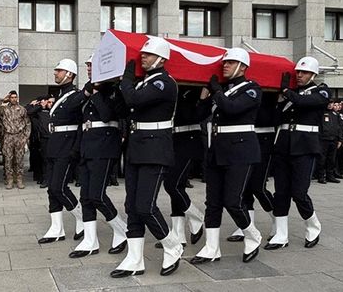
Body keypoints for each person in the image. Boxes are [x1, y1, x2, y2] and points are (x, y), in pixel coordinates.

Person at [112, 37, 182, 278]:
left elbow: (134, 100)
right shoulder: (143, 83)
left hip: (155, 148)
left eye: (148, 55)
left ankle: (173, 245)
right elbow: (125, 108)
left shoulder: (164, 82)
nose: (143, 57)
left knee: (145, 206)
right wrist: (116, 87)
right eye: (142, 53)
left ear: (162, 59)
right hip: (137, 147)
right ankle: (134, 259)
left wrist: (126, 81)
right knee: (132, 206)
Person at [190, 48, 263, 265]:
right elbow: (199, 115)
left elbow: (232, 108)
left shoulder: (252, 89)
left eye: (231, 63)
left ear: (243, 67)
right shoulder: (221, 90)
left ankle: (252, 235)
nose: (225, 65)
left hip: (241, 151)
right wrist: (205, 97)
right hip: (217, 150)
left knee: (233, 201)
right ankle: (211, 247)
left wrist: (216, 91)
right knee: (212, 203)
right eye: (225, 62)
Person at [265, 56, 329, 250]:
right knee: (281, 192)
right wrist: (279, 99)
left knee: (299, 193)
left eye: (304, 72)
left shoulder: (321, 91)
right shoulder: (291, 94)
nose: (299, 75)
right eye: (298, 72)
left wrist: (286, 91)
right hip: (284, 146)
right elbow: (276, 118)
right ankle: (281, 235)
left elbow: (304, 102)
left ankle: (313, 225)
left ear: (313, 74)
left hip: (305, 147)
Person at [69, 55, 128, 259]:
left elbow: (105, 115)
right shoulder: (89, 88)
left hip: (104, 146)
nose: (88, 68)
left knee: (97, 195)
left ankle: (122, 229)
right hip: (87, 146)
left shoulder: (113, 90)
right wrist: (88, 90)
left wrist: (95, 91)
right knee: (85, 196)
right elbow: (73, 108)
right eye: (86, 65)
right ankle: (90, 240)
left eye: (91, 65)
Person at [38, 59, 87, 245]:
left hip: (67, 146)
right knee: (52, 189)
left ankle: (81, 217)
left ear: (69, 74)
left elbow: (80, 123)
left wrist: (75, 149)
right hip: (54, 144)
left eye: (59, 70)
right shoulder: (60, 95)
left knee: (59, 187)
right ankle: (56, 228)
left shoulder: (75, 95)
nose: (55, 73)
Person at [227, 91, 278, 244]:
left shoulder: (267, 92)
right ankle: (247, 224)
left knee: (258, 186)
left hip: (264, 138)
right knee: (245, 187)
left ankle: (277, 219)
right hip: (244, 137)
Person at [159, 87, 204, 249]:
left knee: (172, 185)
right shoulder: (172, 89)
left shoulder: (193, 90)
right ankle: (178, 234)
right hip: (172, 140)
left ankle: (197, 217)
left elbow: (196, 115)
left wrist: (204, 97)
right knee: (175, 187)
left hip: (189, 140)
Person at [0, 91, 31, 189]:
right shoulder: (4, 109)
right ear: (9, 98)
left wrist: (25, 138)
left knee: (19, 159)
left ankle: (19, 179)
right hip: (8, 137)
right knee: (8, 159)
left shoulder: (22, 109)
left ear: (17, 98)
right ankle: (9, 179)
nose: (14, 99)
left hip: (19, 137)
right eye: (12, 97)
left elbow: (27, 124)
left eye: (15, 97)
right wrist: (2, 100)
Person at [315, 99, 343, 184]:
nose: (330, 105)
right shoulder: (321, 113)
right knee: (322, 159)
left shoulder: (336, 114)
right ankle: (321, 176)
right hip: (323, 139)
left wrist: (340, 139)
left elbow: (339, 128)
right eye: (329, 103)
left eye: (332, 103)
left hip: (334, 139)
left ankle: (330, 176)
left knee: (332, 159)